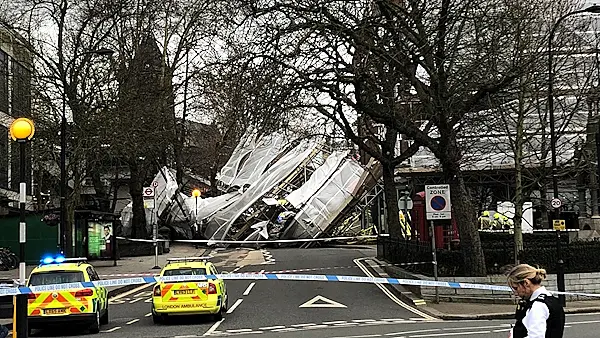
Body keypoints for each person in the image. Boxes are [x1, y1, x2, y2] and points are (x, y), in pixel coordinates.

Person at [506, 264, 565, 338]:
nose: (515, 293)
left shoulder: (538, 306)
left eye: (516, 288)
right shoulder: (550, 300)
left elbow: (536, 336)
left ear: (526, 283)